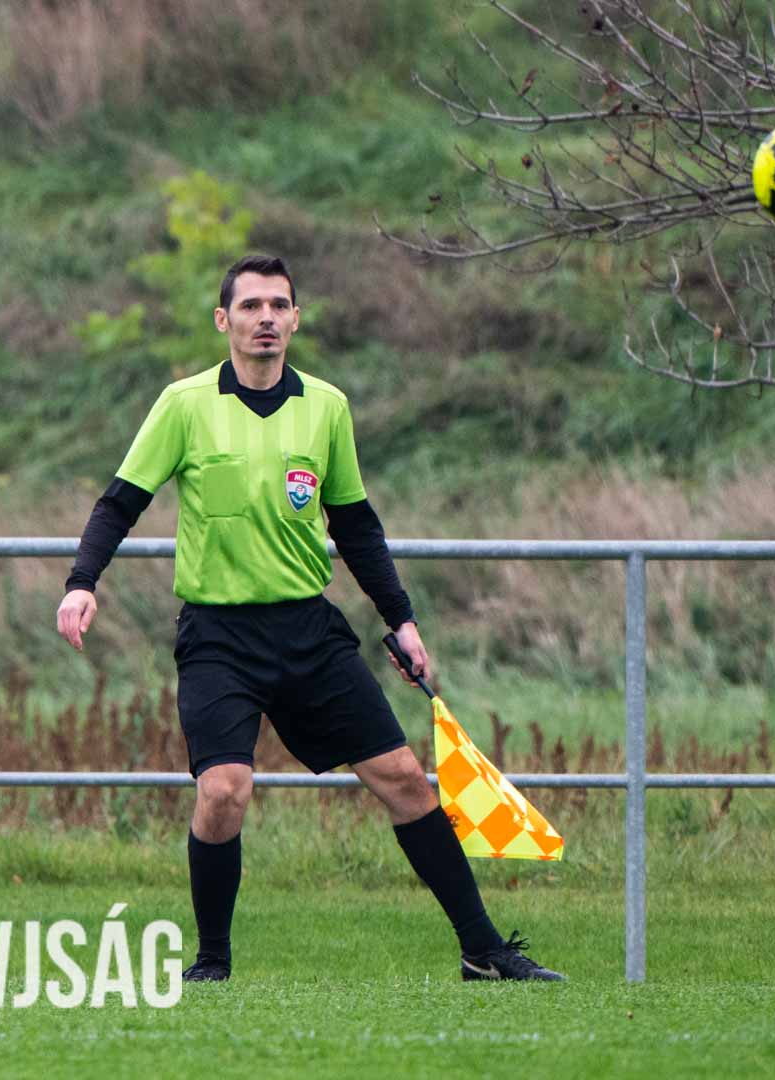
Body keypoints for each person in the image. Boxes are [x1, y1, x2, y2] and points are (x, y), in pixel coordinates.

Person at [55, 253, 563, 984]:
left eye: (278, 306)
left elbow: (355, 524)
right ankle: (212, 962)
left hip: (308, 633)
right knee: (223, 791)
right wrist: (82, 584)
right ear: (223, 320)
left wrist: (402, 620)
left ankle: (483, 951)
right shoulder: (183, 404)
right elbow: (118, 504)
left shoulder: (326, 406)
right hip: (218, 636)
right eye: (251, 306)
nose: (265, 318)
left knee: (403, 779)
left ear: (295, 319)